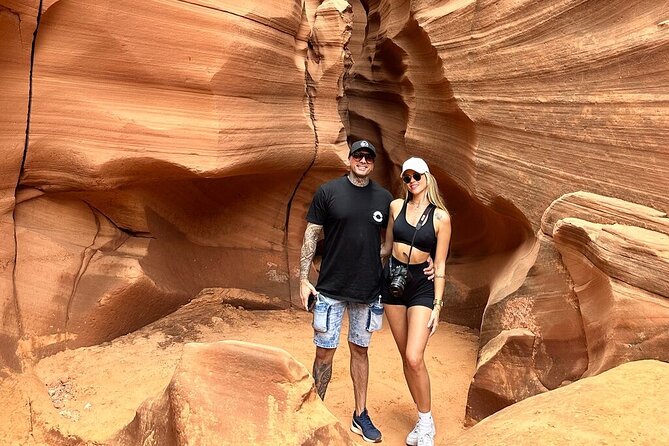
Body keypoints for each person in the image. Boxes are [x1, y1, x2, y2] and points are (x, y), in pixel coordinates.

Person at [299, 140, 433, 443]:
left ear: (373, 163)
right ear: (349, 159)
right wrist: (302, 280)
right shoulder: (328, 192)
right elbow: (311, 235)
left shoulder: (384, 199)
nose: (362, 161)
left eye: (368, 157)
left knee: (360, 351)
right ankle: (316, 414)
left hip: (368, 289)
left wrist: (432, 258)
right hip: (331, 287)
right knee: (324, 353)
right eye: (358, 155)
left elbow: (401, 235)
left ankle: (360, 415)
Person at [380, 157, 452, 446]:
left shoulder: (441, 218)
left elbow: (441, 264)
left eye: (416, 176)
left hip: (421, 284)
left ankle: (426, 421)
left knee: (414, 356)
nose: (411, 181)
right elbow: (387, 247)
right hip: (393, 280)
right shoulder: (396, 207)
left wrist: (438, 305)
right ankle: (422, 421)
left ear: (427, 177)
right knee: (405, 357)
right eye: (407, 177)